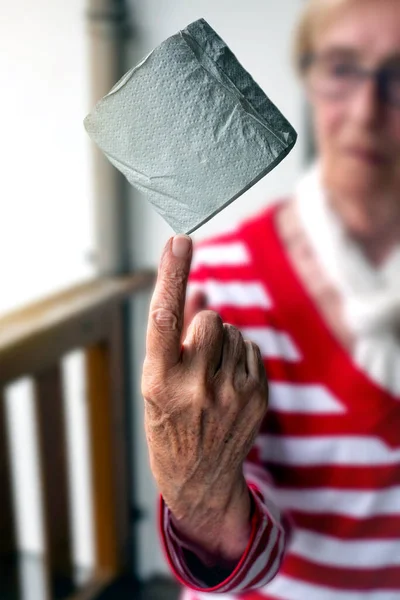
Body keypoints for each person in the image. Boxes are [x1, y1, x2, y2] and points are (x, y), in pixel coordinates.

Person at [141, 0, 400, 597]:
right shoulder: (225, 280)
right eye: (342, 68)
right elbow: (238, 564)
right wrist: (199, 492)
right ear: (308, 77)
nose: (365, 111)